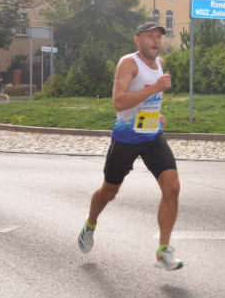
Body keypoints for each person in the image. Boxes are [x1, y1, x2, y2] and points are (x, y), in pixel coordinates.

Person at [77, 22, 183, 270]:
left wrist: (156, 114)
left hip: (151, 136)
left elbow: (148, 99)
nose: (155, 41)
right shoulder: (129, 63)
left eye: (158, 37)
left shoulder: (160, 64)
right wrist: (155, 89)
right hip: (125, 139)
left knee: (173, 187)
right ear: (137, 40)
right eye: (149, 36)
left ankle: (163, 250)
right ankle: (90, 224)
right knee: (108, 192)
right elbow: (118, 102)